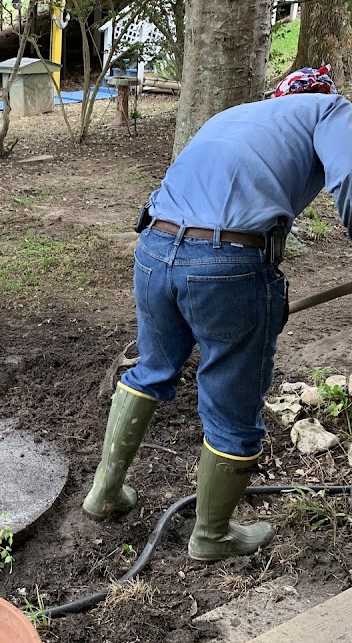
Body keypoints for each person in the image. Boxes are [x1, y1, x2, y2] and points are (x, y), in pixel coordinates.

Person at [82, 65, 352, 561]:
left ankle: (103, 495)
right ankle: (212, 536)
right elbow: (350, 174)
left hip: (154, 248)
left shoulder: (236, 114)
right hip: (226, 265)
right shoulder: (331, 109)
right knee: (232, 401)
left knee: (153, 367)